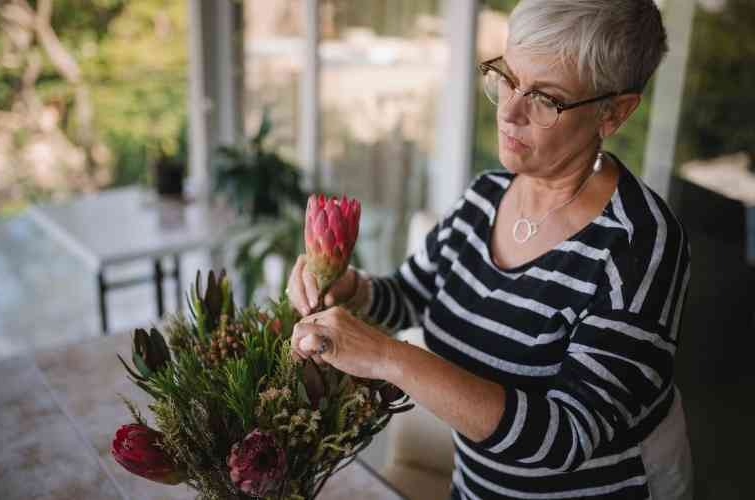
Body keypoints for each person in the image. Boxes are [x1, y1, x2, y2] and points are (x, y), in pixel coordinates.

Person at [288, 0, 693, 498]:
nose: (509, 110)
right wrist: (349, 289)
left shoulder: (640, 245)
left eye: (546, 98)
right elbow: (412, 293)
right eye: (507, 76)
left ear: (614, 112)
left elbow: (565, 438)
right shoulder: (486, 195)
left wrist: (388, 359)